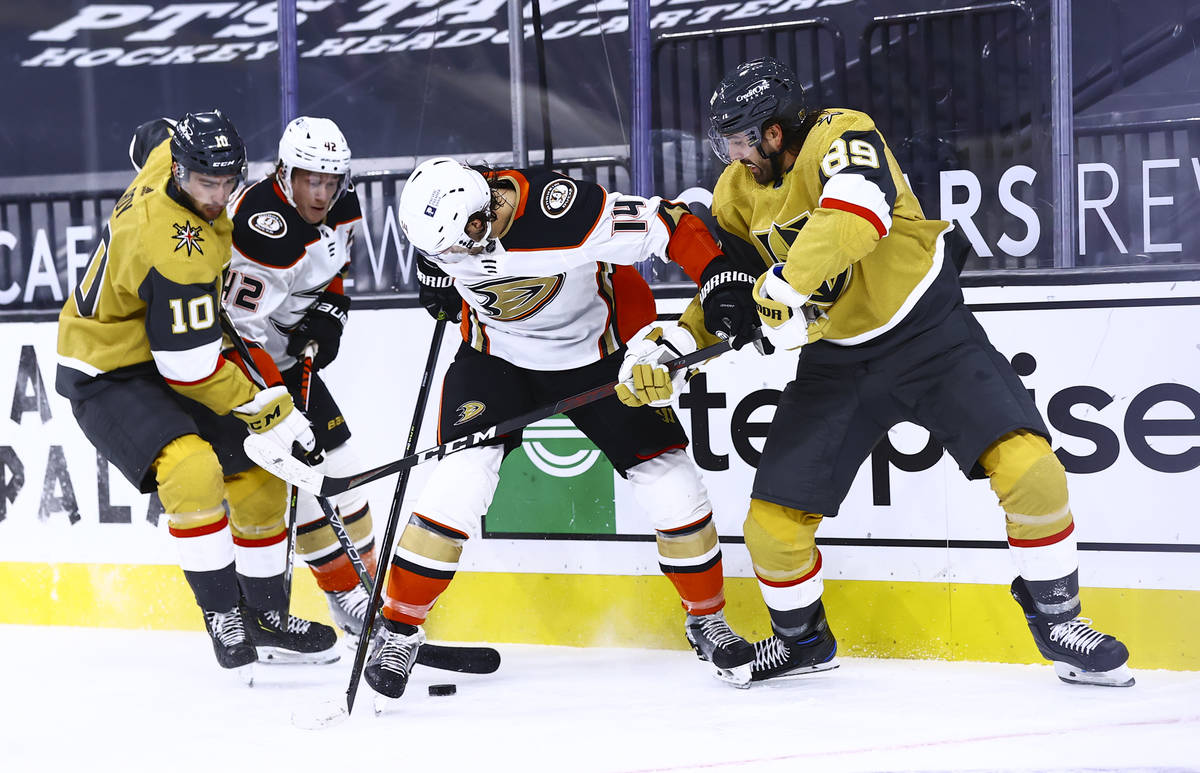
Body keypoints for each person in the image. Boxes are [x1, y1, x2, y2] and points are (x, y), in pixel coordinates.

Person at [617, 57, 1133, 687]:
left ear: (774, 132)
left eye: (740, 140)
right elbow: (730, 292)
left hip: (930, 335)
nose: (732, 154)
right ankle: (802, 642)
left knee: (1032, 469)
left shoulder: (844, 133)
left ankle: (1057, 620)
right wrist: (672, 347)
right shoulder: (736, 192)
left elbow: (857, 213)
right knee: (771, 529)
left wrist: (785, 284)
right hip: (836, 362)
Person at [355, 156, 761, 699]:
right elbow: (438, 265)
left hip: (596, 355)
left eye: (456, 247)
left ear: (482, 217)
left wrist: (718, 282)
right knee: (457, 485)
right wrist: (436, 282)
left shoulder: (564, 213)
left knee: (673, 486)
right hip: (495, 360)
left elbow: (670, 224)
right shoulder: (444, 228)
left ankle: (706, 618)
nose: (448, 258)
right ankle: (400, 629)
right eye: (437, 252)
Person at [56, 110, 338, 676]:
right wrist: (272, 410)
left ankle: (263, 614)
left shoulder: (171, 153)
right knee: (191, 468)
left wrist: (267, 427)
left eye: (226, 182)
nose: (215, 196)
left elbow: (150, 131)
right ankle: (223, 613)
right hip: (106, 368)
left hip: (164, 350)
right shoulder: (174, 249)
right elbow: (191, 371)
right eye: (204, 184)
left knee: (259, 471)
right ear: (181, 172)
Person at [222, 116, 377, 644]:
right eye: (312, 179)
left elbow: (334, 269)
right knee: (309, 483)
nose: (322, 192)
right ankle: (344, 596)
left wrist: (332, 313)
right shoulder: (261, 230)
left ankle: (369, 588)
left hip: (289, 354)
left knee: (347, 471)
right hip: (246, 372)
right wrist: (276, 403)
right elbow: (238, 334)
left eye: (332, 181)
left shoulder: (343, 207)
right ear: (285, 172)